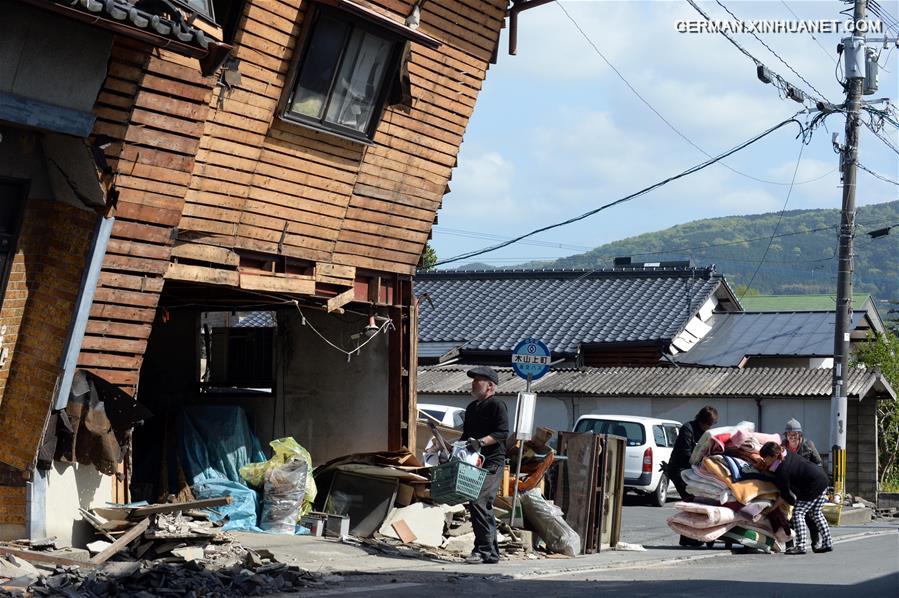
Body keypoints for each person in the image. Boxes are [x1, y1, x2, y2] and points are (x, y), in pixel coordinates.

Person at [461, 366, 509, 564]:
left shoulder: (497, 405)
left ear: (490, 386)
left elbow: (502, 433)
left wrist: (481, 442)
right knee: (476, 503)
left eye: (477, 380)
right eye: (473, 380)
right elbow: (466, 436)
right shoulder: (472, 408)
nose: (473, 383)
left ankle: (484, 550)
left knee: (479, 501)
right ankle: (488, 551)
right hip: (474, 461)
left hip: (492, 462)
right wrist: (445, 447)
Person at [759, 441, 833, 555]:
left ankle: (801, 546)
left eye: (766, 458)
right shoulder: (785, 453)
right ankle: (828, 543)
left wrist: (772, 509)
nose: (764, 461)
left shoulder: (782, 470)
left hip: (812, 486)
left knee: (798, 513)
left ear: (773, 456)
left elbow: (785, 495)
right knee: (816, 513)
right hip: (822, 479)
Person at [666, 405, 719, 547]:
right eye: (707, 424)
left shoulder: (707, 433)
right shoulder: (687, 429)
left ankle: (692, 537)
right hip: (680, 470)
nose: (708, 427)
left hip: (694, 470)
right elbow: (685, 454)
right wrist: (703, 463)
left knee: (698, 502)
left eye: (711, 425)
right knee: (690, 501)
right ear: (700, 420)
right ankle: (688, 537)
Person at [781, 418, 823, 548]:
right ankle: (789, 543)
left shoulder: (808, 446)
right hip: (790, 485)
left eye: (794, 435)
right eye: (789, 435)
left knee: (809, 515)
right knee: (789, 515)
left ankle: (815, 540)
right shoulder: (782, 447)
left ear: (800, 435)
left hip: (806, 485)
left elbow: (819, 464)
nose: (792, 438)